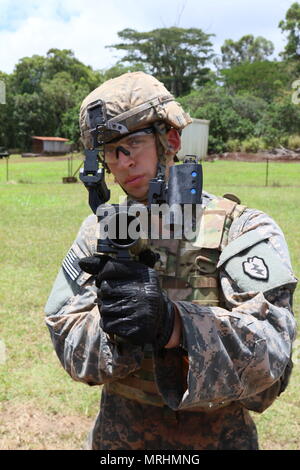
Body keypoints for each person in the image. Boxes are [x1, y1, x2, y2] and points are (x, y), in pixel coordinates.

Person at [45, 71, 297, 450]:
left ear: (171, 140)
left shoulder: (241, 228)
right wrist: (118, 329)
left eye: (133, 144)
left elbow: (271, 355)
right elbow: (65, 332)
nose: (123, 162)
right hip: (119, 441)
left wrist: (173, 325)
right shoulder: (99, 231)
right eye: (111, 151)